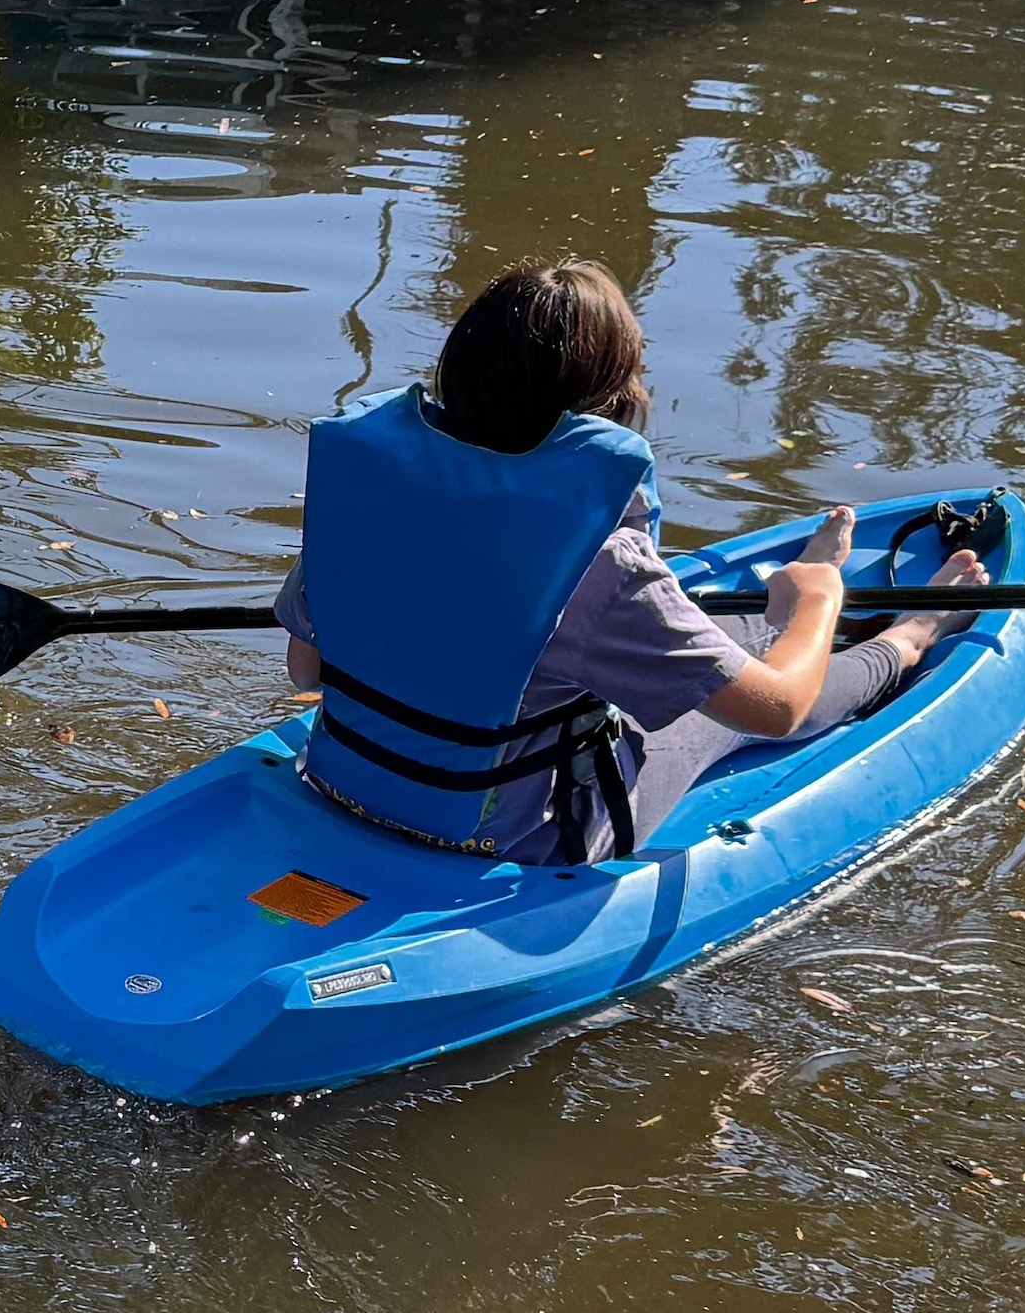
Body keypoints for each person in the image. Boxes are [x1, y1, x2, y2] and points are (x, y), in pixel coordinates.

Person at [274, 257, 982, 865]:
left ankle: (767, 624)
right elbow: (779, 710)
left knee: (699, 646)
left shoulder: (365, 504)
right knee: (742, 695)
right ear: (609, 405)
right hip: (523, 840)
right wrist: (822, 592)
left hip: (346, 786)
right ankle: (907, 635)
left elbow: (306, 672)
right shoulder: (601, 566)